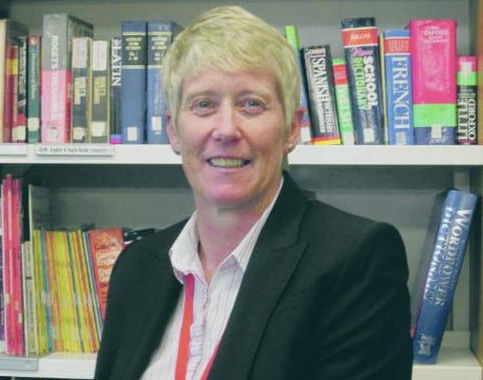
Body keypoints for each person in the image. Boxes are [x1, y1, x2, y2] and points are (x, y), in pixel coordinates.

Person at [94, 5, 412, 380]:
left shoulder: (357, 261)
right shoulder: (137, 269)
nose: (226, 129)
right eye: (203, 104)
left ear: (292, 128)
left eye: (251, 104)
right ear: (174, 131)